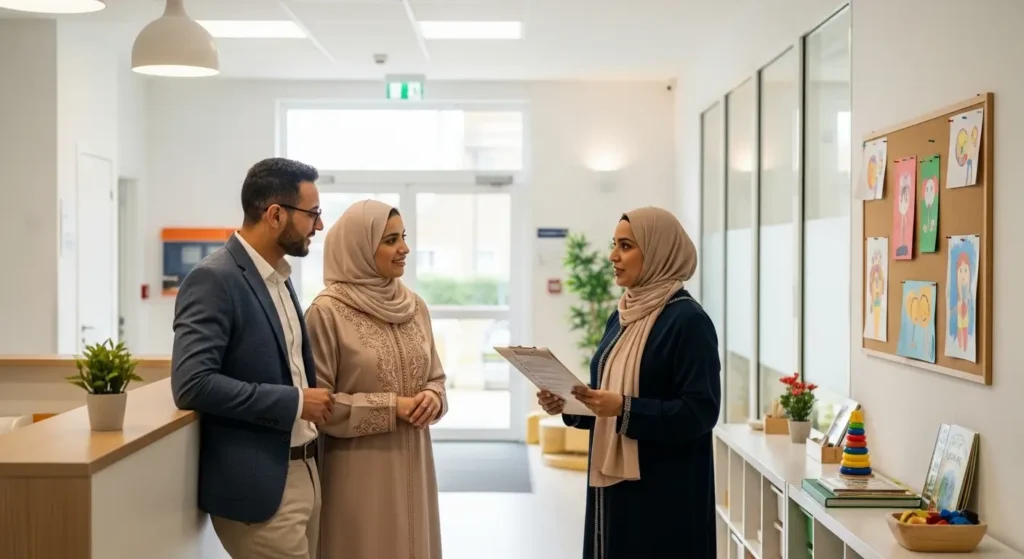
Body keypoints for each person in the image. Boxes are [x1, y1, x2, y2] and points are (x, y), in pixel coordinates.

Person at [171, 157, 335, 559]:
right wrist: (296, 401)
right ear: (276, 214)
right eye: (312, 213)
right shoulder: (214, 279)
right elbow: (193, 383)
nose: (319, 225)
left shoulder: (279, 276)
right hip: (262, 487)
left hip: (305, 470)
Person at [537, 206, 721, 559]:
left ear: (656, 252)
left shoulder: (689, 322)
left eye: (625, 246)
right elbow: (604, 396)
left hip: (664, 490)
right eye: (614, 245)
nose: (613, 256)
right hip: (614, 486)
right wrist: (570, 405)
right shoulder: (622, 315)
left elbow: (700, 412)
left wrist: (625, 408)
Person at [305, 199, 447, 559]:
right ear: (360, 248)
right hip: (358, 473)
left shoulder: (415, 306)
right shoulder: (327, 313)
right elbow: (318, 406)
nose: (405, 248)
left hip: (415, 463)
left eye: (403, 237)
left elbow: (436, 377)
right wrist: (391, 408)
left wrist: (434, 396)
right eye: (390, 240)